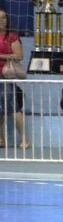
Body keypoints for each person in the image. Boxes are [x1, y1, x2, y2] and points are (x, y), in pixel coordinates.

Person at [0, 8, 27, 149]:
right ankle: (1, 140)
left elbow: (19, 56)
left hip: (6, 77)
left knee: (14, 109)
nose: (1, 20)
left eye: (4, 18)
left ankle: (24, 140)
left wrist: (1, 56)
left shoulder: (12, 36)